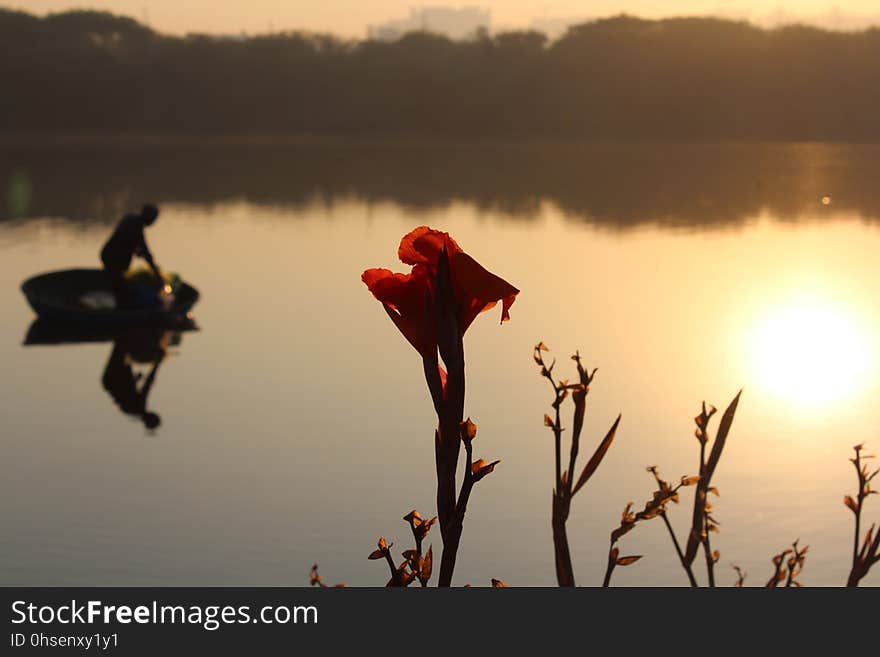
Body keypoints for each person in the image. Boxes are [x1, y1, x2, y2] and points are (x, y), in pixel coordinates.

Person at [100, 203, 162, 309]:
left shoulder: (130, 219)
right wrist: (156, 273)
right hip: (112, 258)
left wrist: (137, 251)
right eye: (153, 218)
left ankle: (120, 306)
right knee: (120, 288)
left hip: (109, 255)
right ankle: (120, 310)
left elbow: (134, 245)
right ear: (149, 218)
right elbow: (144, 251)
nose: (153, 221)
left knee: (118, 284)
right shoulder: (136, 226)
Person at [101, 330, 166, 431]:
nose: (154, 412)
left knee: (122, 346)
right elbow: (125, 392)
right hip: (111, 381)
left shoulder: (138, 408)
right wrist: (136, 380)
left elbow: (147, 384)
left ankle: (126, 328)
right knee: (122, 348)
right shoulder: (134, 410)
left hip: (113, 379)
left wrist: (157, 364)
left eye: (154, 416)